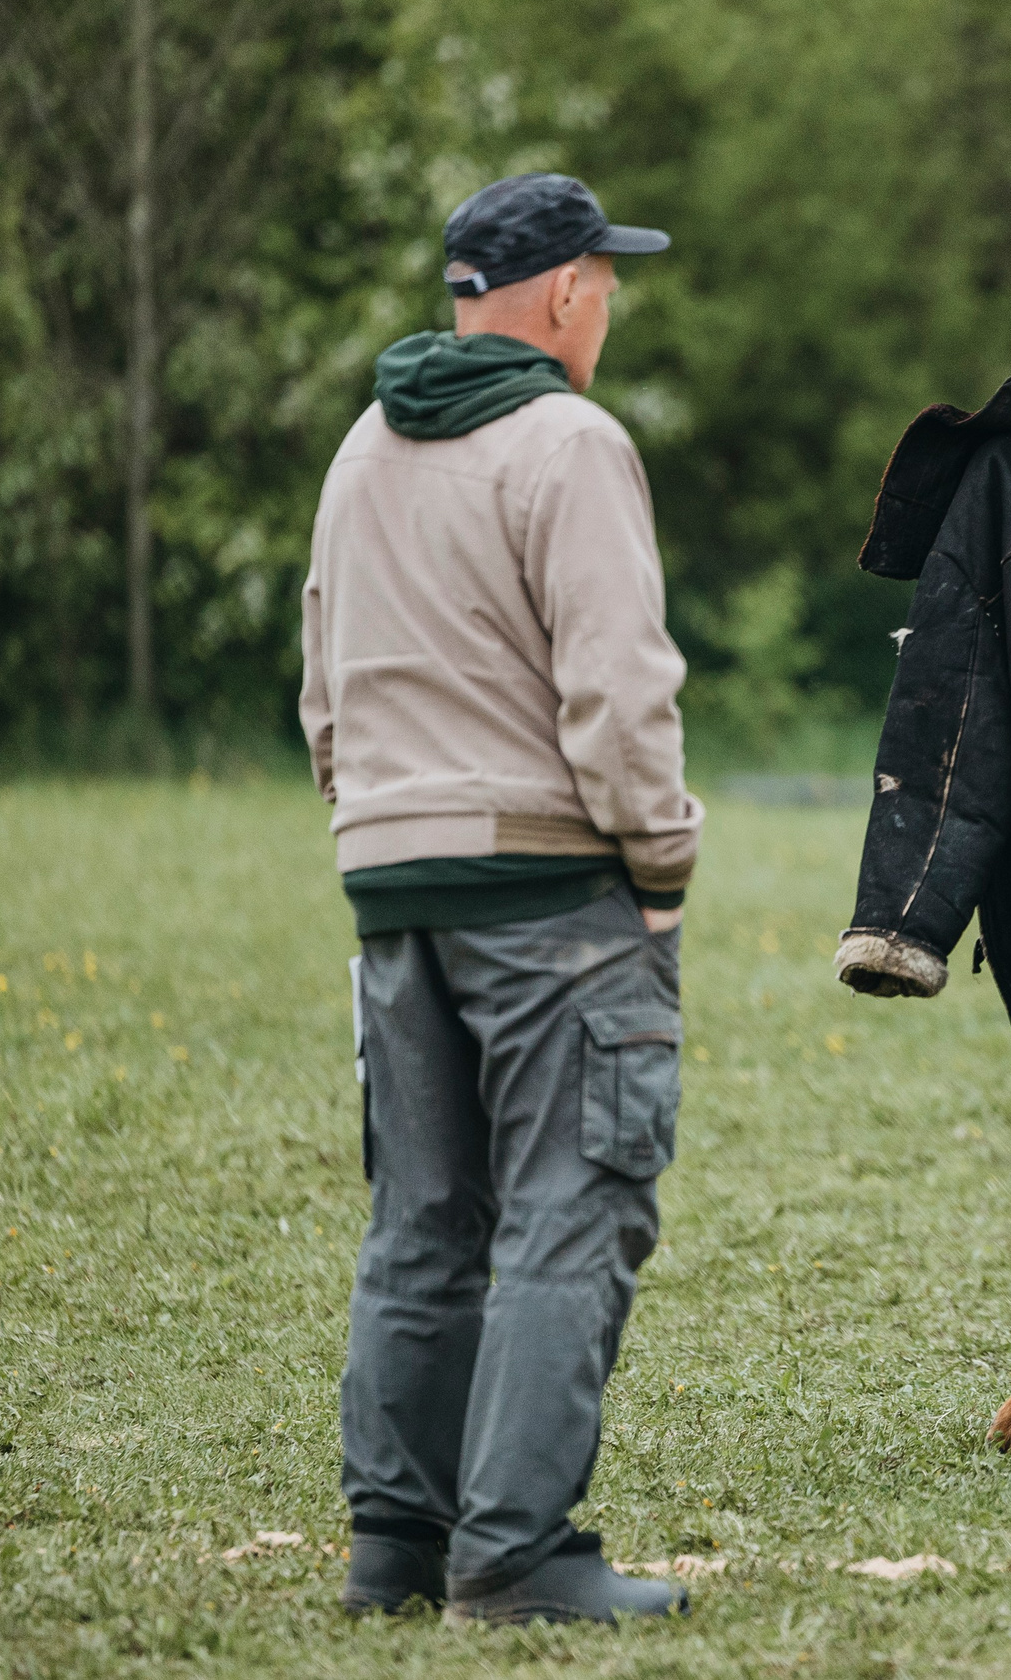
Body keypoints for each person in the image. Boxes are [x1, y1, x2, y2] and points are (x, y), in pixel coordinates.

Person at [299, 172, 701, 1621]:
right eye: (608, 277)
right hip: (551, 894)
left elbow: (321, 685)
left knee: (422, 1216)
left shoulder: (364, 442)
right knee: (568, 1208)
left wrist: (376, 832)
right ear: (569, 291)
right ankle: (517, 1553)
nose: (611, 301)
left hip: (393, 891)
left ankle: (392, 1547)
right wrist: (660, 869)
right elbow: (619, 695)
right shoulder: (569, 440)